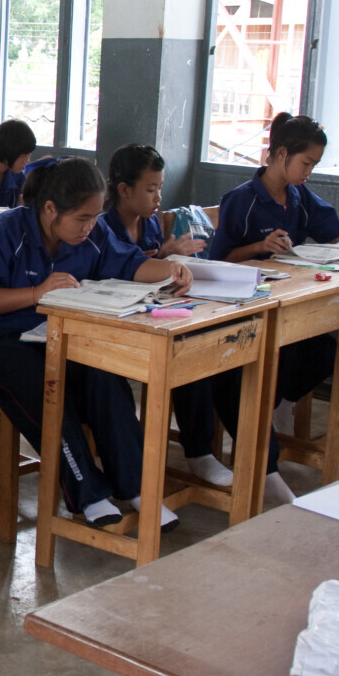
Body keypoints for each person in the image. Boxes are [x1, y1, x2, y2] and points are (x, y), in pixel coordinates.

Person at [0, 157, 194, 529]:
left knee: (105, 375)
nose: (90, 227)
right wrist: (36, 292)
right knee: (43, 385)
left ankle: (138, 488)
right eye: (82, 218)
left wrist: (171, 270)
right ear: (51, 209)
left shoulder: (93, 235)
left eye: (96, 217)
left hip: (53, 334)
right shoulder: (2, 232)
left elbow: (130, 265)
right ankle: (87, 492)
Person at [208, 113, 339, 504]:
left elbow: (337, 233)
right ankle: (266, 461)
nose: (310, 171)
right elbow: (219, 258)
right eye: (306, 162)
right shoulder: (242, 200)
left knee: (325, 350)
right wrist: (259, 247)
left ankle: (281, 402)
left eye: (314, 164)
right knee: (248, 376)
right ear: (280, 154)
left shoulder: (298, 197)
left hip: (287, 300)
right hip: (242, 308)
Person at [95, 144, 232, 487]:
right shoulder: (100, 226)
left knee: (192, 347)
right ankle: (138, 463)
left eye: (160, 188)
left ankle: (199, 452)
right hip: (115, 320)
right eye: (151, 189)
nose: (158, 197)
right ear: (124, 190)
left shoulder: (151, 223)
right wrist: (162, 257)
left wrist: (166, 254)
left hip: (154, 313)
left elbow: (154, 262)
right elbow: (117, 269)